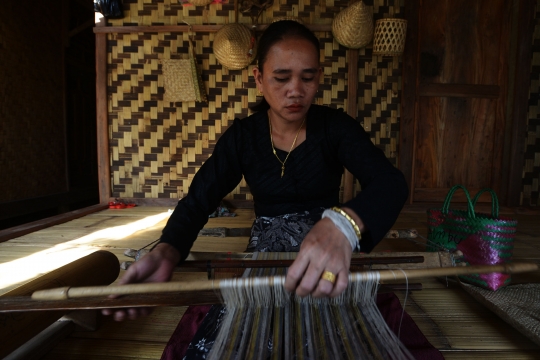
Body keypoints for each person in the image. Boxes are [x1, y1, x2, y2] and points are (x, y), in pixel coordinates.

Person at [103, 20, 408, 321]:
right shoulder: (243, 138)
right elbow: (198, 201)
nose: (295, 90)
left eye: (307, 77)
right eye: (281, 78)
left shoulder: (335, 129)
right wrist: (167, 250)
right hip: (266, 254)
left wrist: (344, 226)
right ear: (259, 79)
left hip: (329, 247)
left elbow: (390, 183)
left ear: (319, 78)